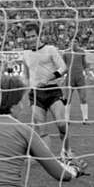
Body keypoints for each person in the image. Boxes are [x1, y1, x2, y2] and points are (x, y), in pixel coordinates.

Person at [22, 22, 73, 159]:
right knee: (41, 129)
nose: (31, 39)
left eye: (33, 36)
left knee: (61, 123)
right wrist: (25, 90)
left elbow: (63, 68)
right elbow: (26, 75)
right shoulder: (25, 54)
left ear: (39, 35)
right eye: (28, 37)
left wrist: (48, 78)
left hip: (53, 91)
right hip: (35, 94)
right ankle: (49, 159)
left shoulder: (50, 49)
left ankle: (67, 151)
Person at [62, 38, 90, 124]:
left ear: (78, 43)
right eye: (72, 41)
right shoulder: (65, 52)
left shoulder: (81, 52)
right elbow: (63, 66)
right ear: (69, 43)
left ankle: (85, 119)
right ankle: (67, 119)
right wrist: (62, 77)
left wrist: (88, 74)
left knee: (83, 98)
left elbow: (85, 64)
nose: (73, 43)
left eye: (75, 42)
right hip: (69, 78)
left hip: (80, 78)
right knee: (67, 99)